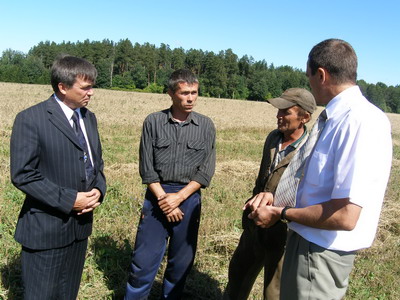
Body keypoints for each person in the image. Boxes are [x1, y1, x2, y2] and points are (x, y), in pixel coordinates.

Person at [249, 38, 392, 300]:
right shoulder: (336, 118)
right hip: (306, 241)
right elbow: (315, 182)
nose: (310, 85)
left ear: (322, 75)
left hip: (321, 252)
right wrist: (275, 196)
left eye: (309, 77)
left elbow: (346, 215)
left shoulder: (359, 121)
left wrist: (281, 212)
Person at [10, 55, 106, 299]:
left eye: (92, 86)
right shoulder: (31, 119)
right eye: (85, 87)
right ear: (62, 87)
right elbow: (23, 174)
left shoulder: (89, 118)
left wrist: (99, 189)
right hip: (46, 230)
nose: (91, 93)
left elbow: (96, 163)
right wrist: (69, 200)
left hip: (80, 229)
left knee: (68, 294)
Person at [124, 69, 216, 299]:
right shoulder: (153, 122)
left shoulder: (206, 126)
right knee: (142, 264)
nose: (190, 98)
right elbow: (147, 168)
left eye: (194, 93)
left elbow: (206, 171)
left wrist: (179, 198)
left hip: (188, 199)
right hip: (156, 198)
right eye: (184, 93)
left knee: (180, 264)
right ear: (170, 93)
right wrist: (165, 199)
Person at [224, 88, 316, 300]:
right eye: (278, 110)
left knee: (274, 291)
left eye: (286, 112)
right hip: (254, 223)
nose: (278, 116)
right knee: (238, 275)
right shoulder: (273, 138)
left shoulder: (311, 151)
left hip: (284, 231)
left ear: (305, 117)